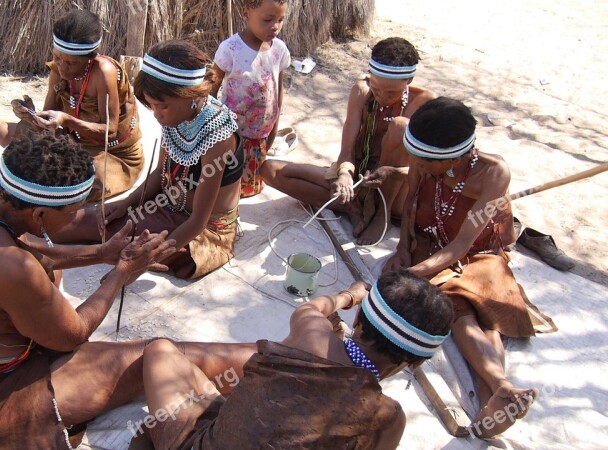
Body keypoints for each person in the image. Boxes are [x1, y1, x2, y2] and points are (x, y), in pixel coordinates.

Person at [0, 132, 256, 449]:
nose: (79, 220)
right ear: (38, 216)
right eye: (73, 212)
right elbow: (72, 336)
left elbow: (31, 249)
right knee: (154, 356)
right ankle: (273, 359)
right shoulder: (13, 269)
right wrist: (120, 274)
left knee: (50, 278)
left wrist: (101, 252)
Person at [383, 97, 557, 438]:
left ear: (454, 157)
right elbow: (412, 202)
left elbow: (462, 246)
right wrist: (404, 248)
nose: (414, 162)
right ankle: (501, 388)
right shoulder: (425, 155)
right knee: (458, 306)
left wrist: (411, 274)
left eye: (423, 159)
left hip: (479, 251)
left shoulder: (494, 174)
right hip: (433, 243)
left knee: (485, 305)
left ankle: (497, 392)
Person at [129, 269, 453, 450]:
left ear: (357, 321)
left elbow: (312, 308)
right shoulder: (389, 417)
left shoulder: (311, 332)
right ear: (415, 363)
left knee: (160, 350)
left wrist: (349, 295)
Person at [55, 40, 244, 280]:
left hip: (204, 230)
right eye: (151, 106)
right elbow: (159, 174)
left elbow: (198, 222)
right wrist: (128, 203)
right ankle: (22, 242)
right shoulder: (177, 116)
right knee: (92, 220)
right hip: (166, 204)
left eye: (161, 107)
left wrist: (146, 258)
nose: (156, 115)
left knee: (127, 247)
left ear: (189, 96)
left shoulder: (218, 134)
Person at [261, 37, 435, 244]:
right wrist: (344, 175)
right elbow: (347, 151)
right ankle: (352, 206)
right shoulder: (362, 91)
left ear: (409, 80)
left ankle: (382, 215)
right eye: (377, 89)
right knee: (270, 170)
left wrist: (388, 172)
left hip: (395, 190)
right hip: (359, 178)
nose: (382, 98)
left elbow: (426, 170)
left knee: (400, 126)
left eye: (391, 93)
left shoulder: (424, 102)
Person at [0, 9, 144, 202]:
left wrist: (67, 120)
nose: (62, 67)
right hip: (71, 139)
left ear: (90, 59)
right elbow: (46, 125)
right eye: (57, 58)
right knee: (4, 132)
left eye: (70, 63)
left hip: (111, 153)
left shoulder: (104, 73)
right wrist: (31, 115)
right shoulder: (59, 69)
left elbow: (110, 132)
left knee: (76, 183)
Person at [211, 0, 291, 198]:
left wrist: (274, 125)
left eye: (280, 19)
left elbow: (278, 88)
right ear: (246, 12)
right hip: (232, 133)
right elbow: (211, 89)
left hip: (261, 133)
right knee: (227, 185)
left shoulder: (278, 50)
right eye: (268, 19)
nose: (275, 26)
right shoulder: (231, 49)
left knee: (251, 187)